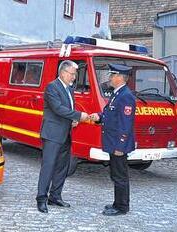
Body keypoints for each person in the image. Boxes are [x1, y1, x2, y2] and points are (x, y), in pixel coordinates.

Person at [36, 60, 88, 213]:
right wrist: (79, 116)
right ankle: (41, 199)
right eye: (72, 74)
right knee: (48, 167)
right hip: (52, 135)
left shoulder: (69, 89)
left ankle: (55, 197)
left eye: (74, 74)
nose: (74, 77)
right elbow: (58, 109)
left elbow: (67, 109)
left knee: (61, 168)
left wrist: (72, 120)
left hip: (66, 133)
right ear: (63, 72)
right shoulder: (52, 87)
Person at [89, 64, 136, 216]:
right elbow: (109, 114)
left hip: (118, 144)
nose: (109, 78)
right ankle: (117, 202)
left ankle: (122, 207)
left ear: (120, 78)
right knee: (115, 174)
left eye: (112, 75)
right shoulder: (117, 94)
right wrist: (99, 117)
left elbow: (125, 124)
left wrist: (120, 146)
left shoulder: (126, 96)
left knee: (120, 176)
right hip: (113, 142)